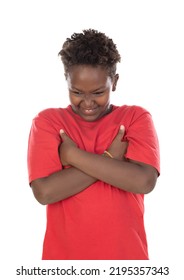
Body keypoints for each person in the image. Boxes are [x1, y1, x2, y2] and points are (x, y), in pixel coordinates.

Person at [27, 29, 160, 260]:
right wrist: (110, 159)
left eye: (98, 92)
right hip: (64, 264)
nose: (87, 102)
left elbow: (144, 181)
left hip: (126, 262)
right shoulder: (48, 122)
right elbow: (45, 192)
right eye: (76, 92)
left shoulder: (135, 118)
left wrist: (72, 156)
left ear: (115, 82)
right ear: (66, 81)